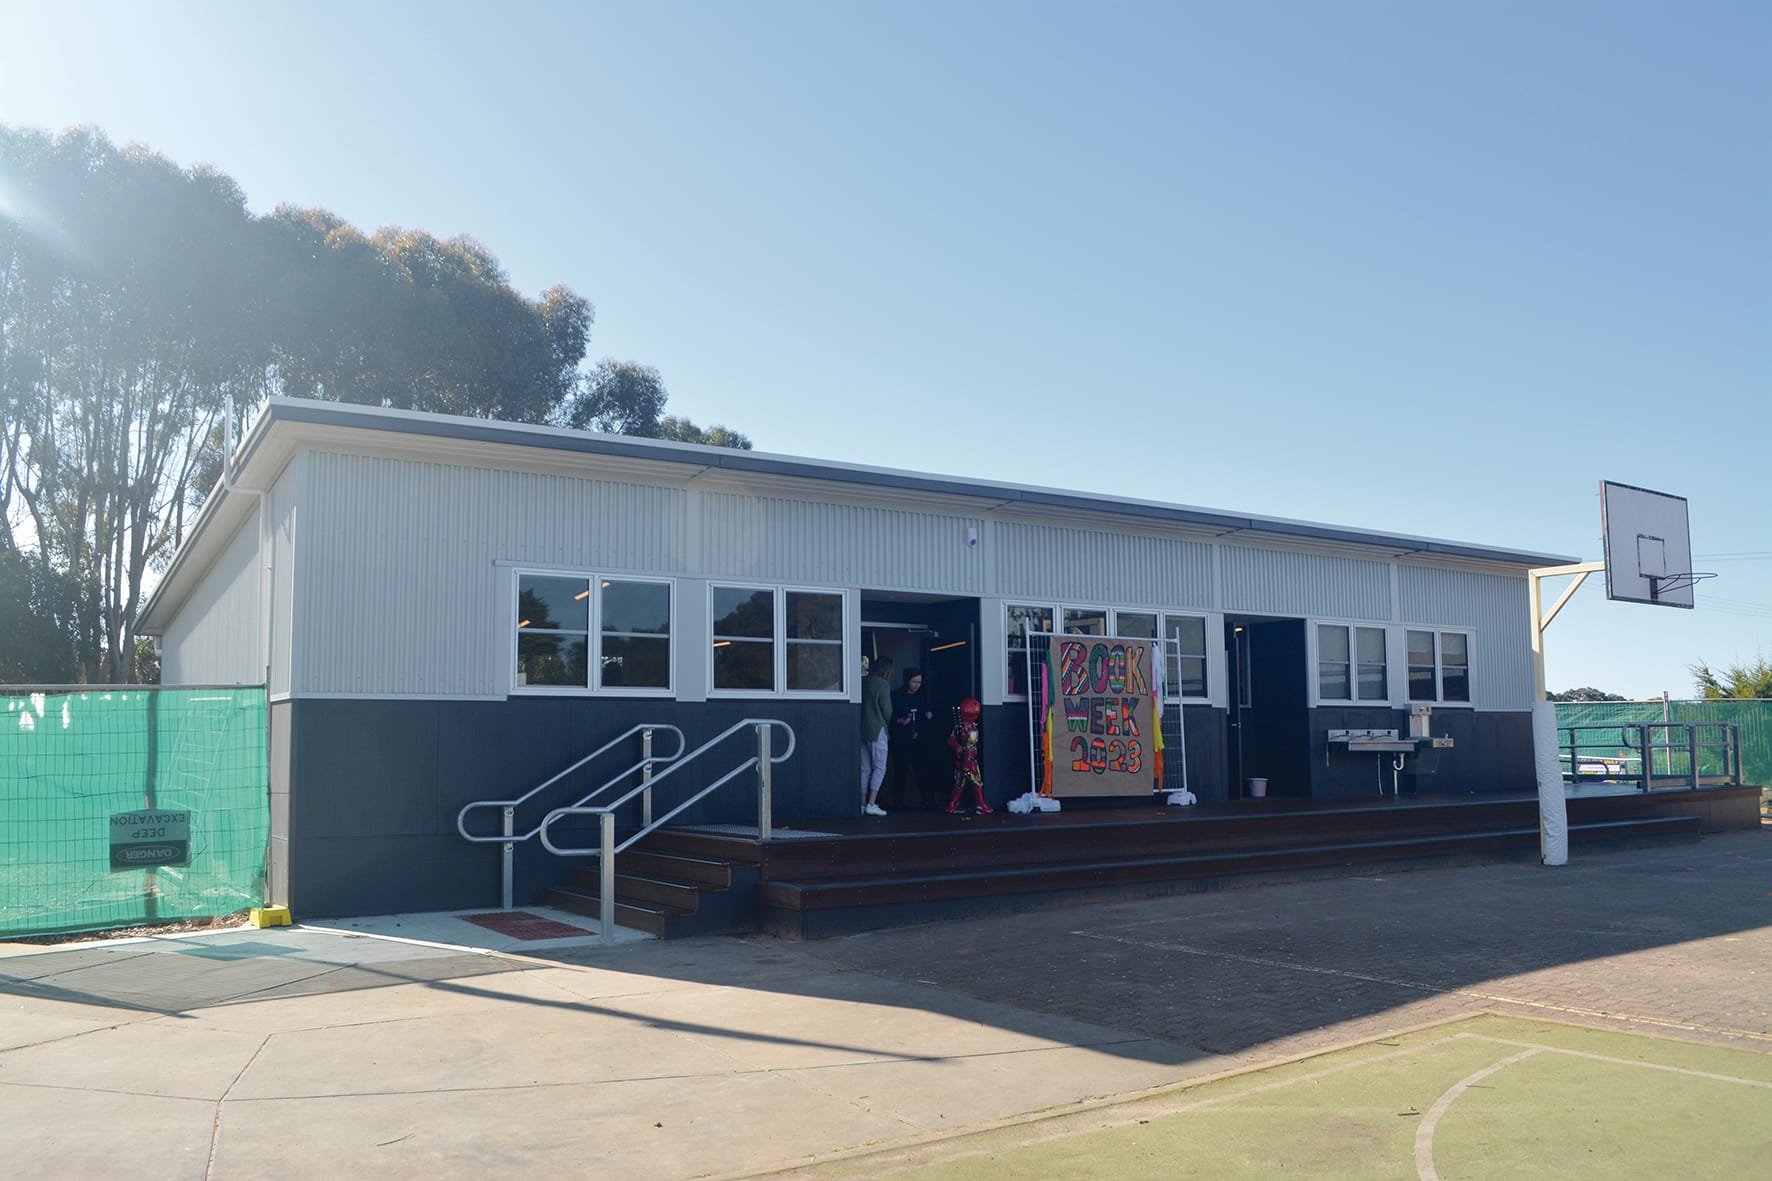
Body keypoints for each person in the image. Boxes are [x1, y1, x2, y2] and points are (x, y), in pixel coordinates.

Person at [886, 667, 931, 810]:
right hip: (900, 740)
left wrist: (927, 715)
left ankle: (927, 801)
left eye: (919, 682)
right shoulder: (895, 696)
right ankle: (898, 803)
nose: (917, 685)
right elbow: (887, 714)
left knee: (921, 771)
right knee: (900, 772)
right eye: (914, 682)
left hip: (918, 740)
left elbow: (923, 713)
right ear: (907, 681)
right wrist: (899, 721)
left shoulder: (920, 697)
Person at [945, 698, 993, 814]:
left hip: (968, 759)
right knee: (967, 782)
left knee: (968, 782)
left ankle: (976, 804)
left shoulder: (968, 727)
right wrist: (959, 749)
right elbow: (955, 742)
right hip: (966, 760)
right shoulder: (965, 729)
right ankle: (957, 805)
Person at [859, 656, 893, 816]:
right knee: (880, 767)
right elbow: (887, 710)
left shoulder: (864, 682)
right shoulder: (882, 684)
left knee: (864, 769)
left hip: (862, 729)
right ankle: (872, 803)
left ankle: (862, 803)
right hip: (877, 728)